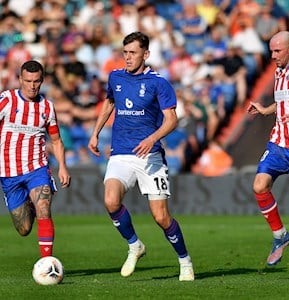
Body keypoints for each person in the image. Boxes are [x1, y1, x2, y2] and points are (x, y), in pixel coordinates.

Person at [88, 31, 194, 281]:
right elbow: (109, 103)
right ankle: (135, 245)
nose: (127, 57)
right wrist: (95, 133)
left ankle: (184, 261)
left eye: (133, 53)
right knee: (111, 201)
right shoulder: (115, 77)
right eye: (125, 52)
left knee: (161, 217)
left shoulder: (159, 82)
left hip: (150, 156)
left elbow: (172, 119)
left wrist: (152, 138)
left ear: (146, 54)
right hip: (121, 153)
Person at [0, 60, 71, 258]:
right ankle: (28, 203)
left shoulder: (47, 107)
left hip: (37, 168)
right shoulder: (7, 100)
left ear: (42, 81)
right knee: (24, 229)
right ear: (20, 79)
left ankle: (47, 263)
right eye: (28, 81)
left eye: (37, 81)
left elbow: (56, 141)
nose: (32, 86)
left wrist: (63, 167)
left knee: (44, 207)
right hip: (8, 172)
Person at [247, 31, 289, 266]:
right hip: (278, 144)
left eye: (277, 51)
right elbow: (283, 103)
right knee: (260, 185)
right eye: (271, 51)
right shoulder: (279, 72)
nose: (273, 56)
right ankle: (280, 236)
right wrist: (265, 110)